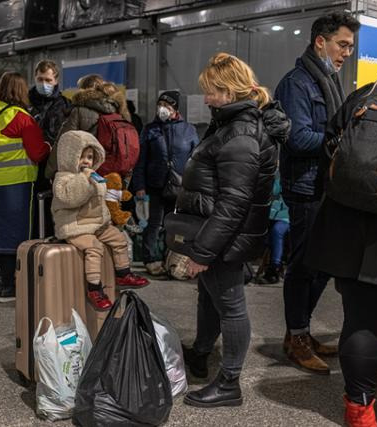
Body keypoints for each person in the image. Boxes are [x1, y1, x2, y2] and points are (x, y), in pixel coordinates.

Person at [178, 53, 289, 408]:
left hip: (225, 237)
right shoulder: (230, 124)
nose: (206, 98)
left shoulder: (240, 133)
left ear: (229, 91)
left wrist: (202, 252)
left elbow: (232, 204)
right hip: (220, 234)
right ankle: (200, 353)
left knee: (231, 305)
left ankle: (229, 383)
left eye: (211, 91)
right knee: (210, 297)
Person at [305, 48, 377, 427]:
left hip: (351, 234)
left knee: (361, 322)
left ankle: (359, 412)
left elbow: (331, 153)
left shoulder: (365, 94)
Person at [274, 12, 360, 375]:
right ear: (320, 41)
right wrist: (343, 141)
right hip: (305, 185)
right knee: (303, 266)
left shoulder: (328, 80)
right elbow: (296, 137)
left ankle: (301, 332)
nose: (346, 54)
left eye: (351, 48)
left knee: (323, 263)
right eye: (342, 45)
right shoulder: (298, 83)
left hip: (325, 184)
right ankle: (296, 337)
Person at [0, 72, 50, 302]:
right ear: (22, 91)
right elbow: (37, 152)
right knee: (12, 234)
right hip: (13, 184)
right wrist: (48, 146)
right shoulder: (21, 118)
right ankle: (7, 287)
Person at [52, 130, 149, 310]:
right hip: (75, 226)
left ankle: (123, 273)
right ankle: (94, 288)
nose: (87, 162)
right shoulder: (63, 179)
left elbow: (101, 203)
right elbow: (72, 198)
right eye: (82, 157)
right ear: (69, 156)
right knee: (94, 247)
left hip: (95, 224)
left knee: (119, 239)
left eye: (90, 157)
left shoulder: (94, 177)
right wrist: (84, 179)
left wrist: (107, 217)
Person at [131, 90, 199, 276]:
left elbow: (196, 159)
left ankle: (172, 259)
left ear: (175, 109)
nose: (162, 109)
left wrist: (194, 185)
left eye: (167, 106)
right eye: (160, 105)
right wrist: (139, 186)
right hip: (155, 184)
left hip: (179, 187)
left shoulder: (189, 130)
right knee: (153, 224)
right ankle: (151, 259)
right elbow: (140, 160)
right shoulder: (150, 129)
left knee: (175, 225)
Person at [44, 74, 128, 180]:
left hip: (87, 173)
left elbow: (63, 143)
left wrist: (49, 173)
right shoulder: (118, 112)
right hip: (115, 173)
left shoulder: (79, 111)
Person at [28, 59, 71, 238]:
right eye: (40, 79)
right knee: (32, 213)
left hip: (53, 167)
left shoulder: (64, 105)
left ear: (56, 81)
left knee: (52, 212)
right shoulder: (26, 103)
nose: (43, 84)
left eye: (48, 80)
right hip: (29, 165)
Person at [257, 171, 289, 284]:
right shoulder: (274, 173)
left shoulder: (281, 174)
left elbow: (274, 190)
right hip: (270, 214)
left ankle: (275, 267)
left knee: (277, 231)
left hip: (287, 215)